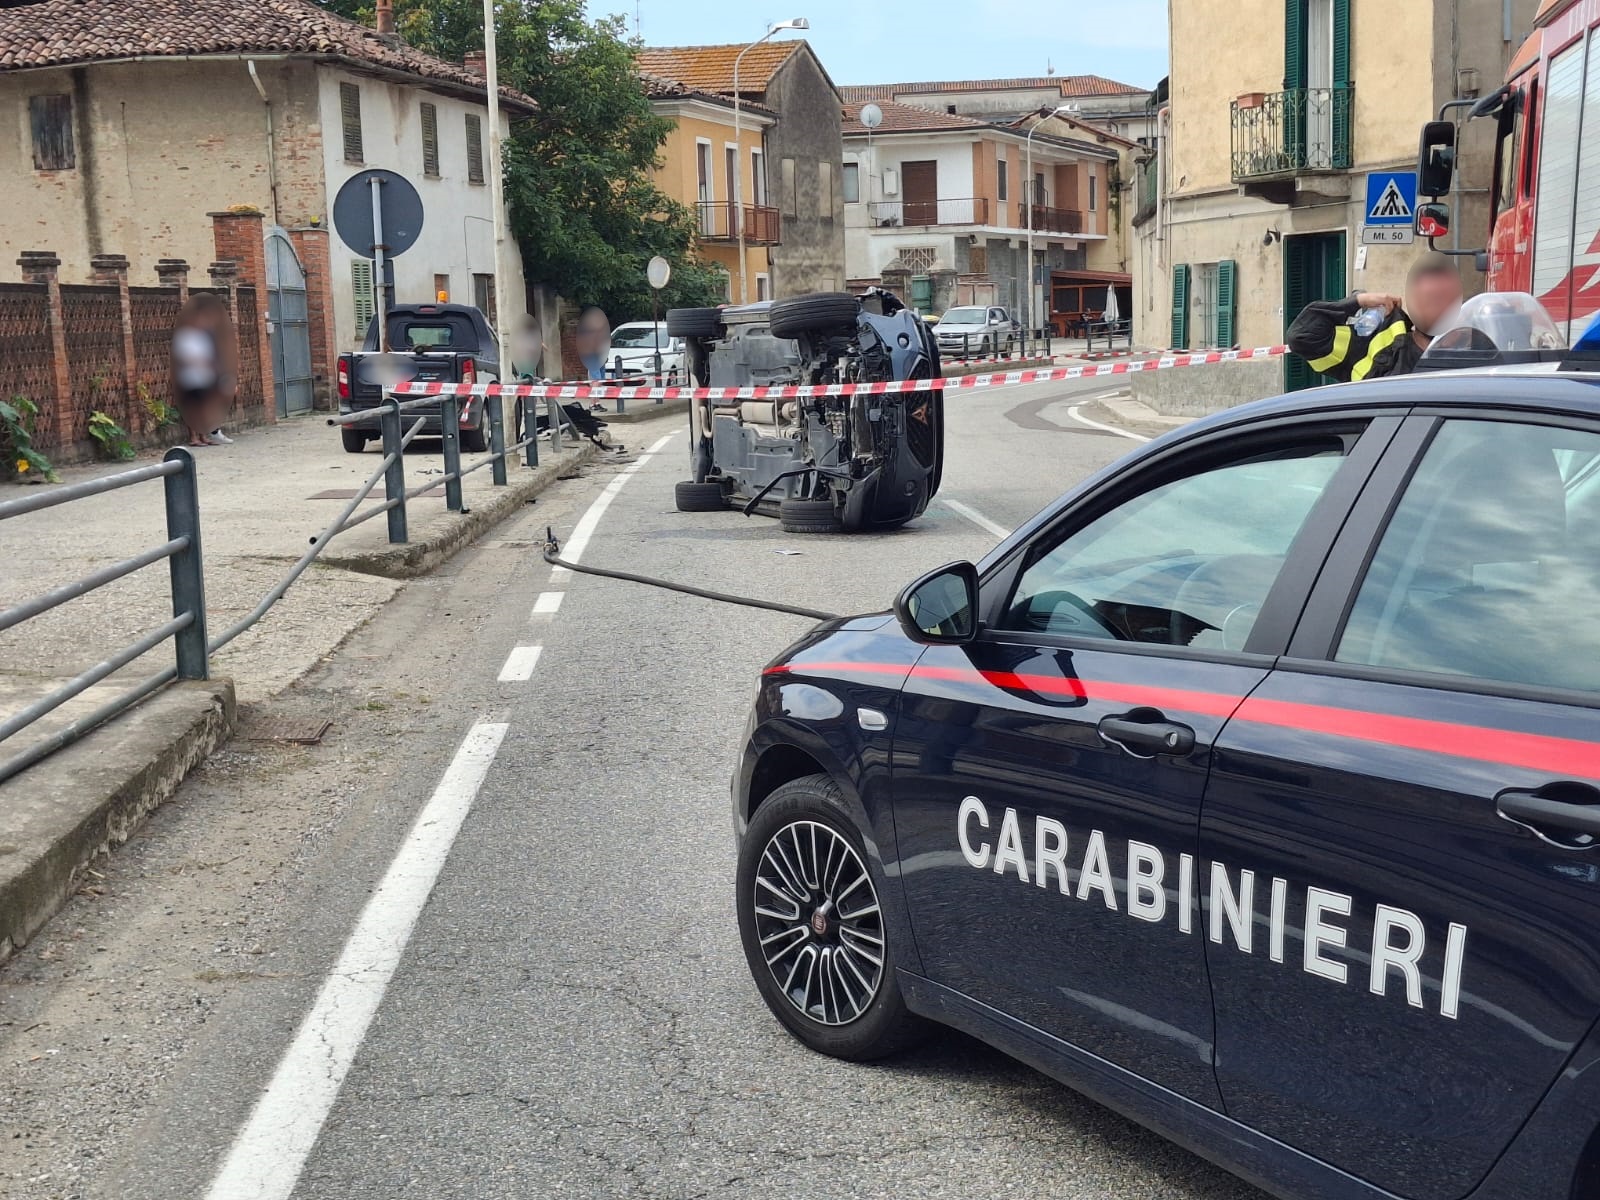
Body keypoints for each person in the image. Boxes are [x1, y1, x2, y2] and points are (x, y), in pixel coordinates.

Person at [1286, 251, 1464, 382]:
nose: (1439, 307)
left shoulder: (1476, 354)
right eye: (1429, 298)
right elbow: (1301, 336)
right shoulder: (1377, 341)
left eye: (1445, 298)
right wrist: (1360, 301)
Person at [171, 293, 238, 447]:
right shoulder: (184, 335)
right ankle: (194, 437)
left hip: (205, 375)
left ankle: (205, 435)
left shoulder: (203, 336)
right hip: (190, 377)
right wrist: (198, 361)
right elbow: (182, 356)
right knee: (193, 407)